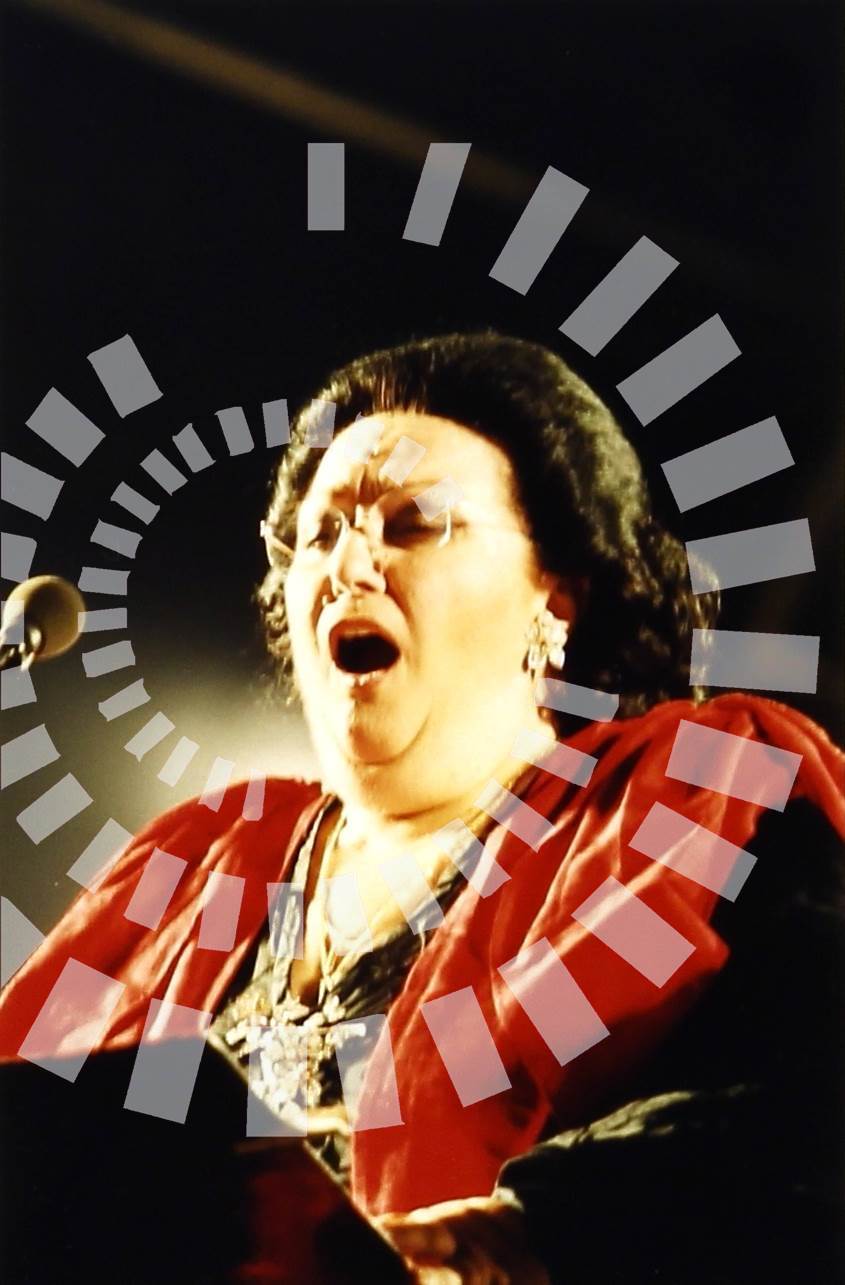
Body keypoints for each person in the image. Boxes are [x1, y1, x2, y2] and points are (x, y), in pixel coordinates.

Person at [2, 332, 843, 1283]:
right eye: (320, 533)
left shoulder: (693, 799)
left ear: (556, 598)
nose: (348, 563)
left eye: (413, 525)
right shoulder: (193, 861)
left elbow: (812, 1110)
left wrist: (529, 1228)